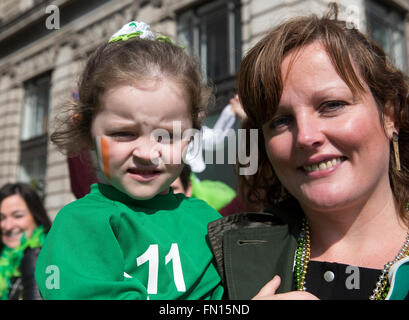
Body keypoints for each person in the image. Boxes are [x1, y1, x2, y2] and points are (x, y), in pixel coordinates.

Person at [207, 3, 409, 300]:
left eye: (331, 105)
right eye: (280, 121)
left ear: (389, 114)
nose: (305, 136)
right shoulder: (216, 260)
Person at [34, 21, 224, 300]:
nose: (148, 153)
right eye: (123, 133)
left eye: (168, 135)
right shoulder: (79, 225)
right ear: (87, 131)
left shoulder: (208, 219)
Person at [0, 182, 51, 300]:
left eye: (18, 216)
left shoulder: (42, 260)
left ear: (36, 216)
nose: (7, 226)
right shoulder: (5, 259)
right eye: (1, 218)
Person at [171, 164, 236, 212]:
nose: (165, 195)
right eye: (161, 189)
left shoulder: (224, 199)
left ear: (188, 189)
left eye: (173, 189)